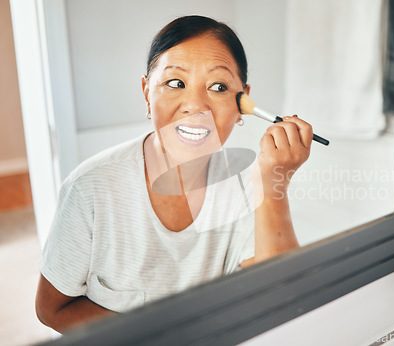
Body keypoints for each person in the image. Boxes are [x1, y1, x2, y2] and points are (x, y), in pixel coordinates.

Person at [35, 15, 313, 333]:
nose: (195, 105)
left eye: (218, 87)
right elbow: (51, 308)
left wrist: (273, 180)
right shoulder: (89, 189)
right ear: (146, 93)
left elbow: (283, 303)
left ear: (241, 104)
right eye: (175, 83)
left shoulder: (248, 188)